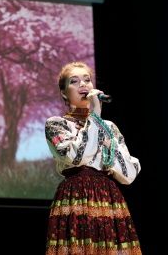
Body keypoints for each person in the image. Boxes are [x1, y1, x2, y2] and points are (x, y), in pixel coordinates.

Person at [44, 61, 142, 254]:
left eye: (87, 80)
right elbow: (76, 156)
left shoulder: (110, 127)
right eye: (74, 81)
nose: (83, 85)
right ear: (64, 93)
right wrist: (95, 115)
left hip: (107, 196)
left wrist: (109, 144)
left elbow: (129, 174)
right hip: (75, 194)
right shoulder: (57, 124)